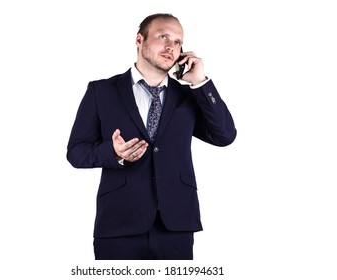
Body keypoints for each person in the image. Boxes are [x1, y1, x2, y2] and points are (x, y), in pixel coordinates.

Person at [66, 13, 237, 260]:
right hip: (119, 224)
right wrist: (113, 153)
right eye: (163, 37)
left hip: (176, 224)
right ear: (139, 40)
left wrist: (199, 82)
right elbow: (76, 152)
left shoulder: (188, 96)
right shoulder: (101, 91)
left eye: (178, 42)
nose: (171, 47)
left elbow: (225, 135)